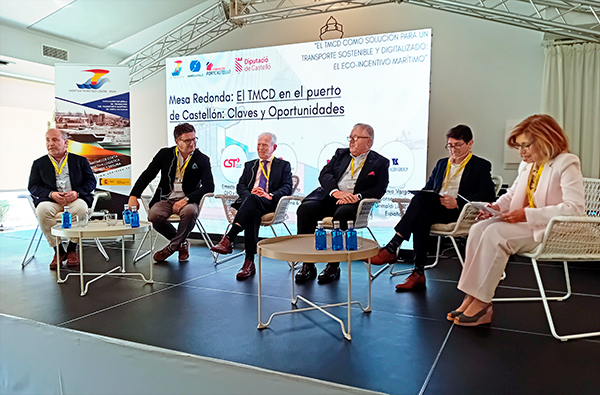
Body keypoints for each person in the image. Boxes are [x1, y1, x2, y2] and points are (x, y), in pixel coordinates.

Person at [450, 114, 585, 326]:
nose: (521, 152)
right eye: (519, 146)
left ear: (545, 140)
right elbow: (512, 195)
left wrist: (526, 214)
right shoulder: (527, 165)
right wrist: (495, 207)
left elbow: (575, 210)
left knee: (495, 234)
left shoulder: (566, 163)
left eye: (526, 146)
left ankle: (483, 302)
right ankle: (472, 296)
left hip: (553, 230)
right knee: (478, 229)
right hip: (529, 225)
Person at [370, 125, 496, 291]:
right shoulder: (442, 163)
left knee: (420, 204)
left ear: (470, 143)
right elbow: (429, 189)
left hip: (460, 212)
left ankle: (393, 246)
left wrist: (458, 202)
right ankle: (418, 273)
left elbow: (488, 196)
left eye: (457, 145)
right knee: (421, 214)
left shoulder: (480, 165)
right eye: (450, 145)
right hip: (437, 207)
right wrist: (424, 196)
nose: (453, 149)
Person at [295, 123, 389, 284]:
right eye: (350, 137)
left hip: (352, 204)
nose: (351, 141)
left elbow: (379, 189)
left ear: (369, 142)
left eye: (356, 137)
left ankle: (333, 265)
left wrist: (358, 196)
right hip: (330, 198)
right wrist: (335, 192)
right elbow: (325, 174)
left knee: (343, 214)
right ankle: (307, 264)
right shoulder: (341, 154)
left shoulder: (380, 162)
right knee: (305, 209)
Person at [210, 133, 293, 279]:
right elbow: (240, 186)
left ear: (274, 147)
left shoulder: (283, 165)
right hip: (251, 203)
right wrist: (250, 196)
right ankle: (248, 261)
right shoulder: (250, 165)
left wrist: (269, 195)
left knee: (253, 203)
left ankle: (230, 237)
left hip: (270, 203)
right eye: (259, 144)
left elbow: (287, 187)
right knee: (252, 212)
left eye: (265, 145)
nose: (261, 148)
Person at [128, 123, 214, 262]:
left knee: (190, 212)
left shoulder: (202, 159)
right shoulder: (165, 154)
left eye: (194, 139)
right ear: (177, 141)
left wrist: (186, 199)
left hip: (188, 200)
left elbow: (209, 186)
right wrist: (133, 195)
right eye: (187, 141)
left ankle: (171, 248)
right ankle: (182, 244)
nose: (192, 143)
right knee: (154, 215)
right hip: (166, 198)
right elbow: (147, 175)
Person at [28, 128, 96, 269]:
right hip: (51, 201)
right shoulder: (39, 163)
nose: (50, 144)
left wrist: (77, 192)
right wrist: (50, 194)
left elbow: (91, 182)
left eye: (54, 140)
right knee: (42, 211)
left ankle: (71, 248)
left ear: (65, 143)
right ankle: (58, 250)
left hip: (74, 199)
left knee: (81, 209)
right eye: (47, 140)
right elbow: (33, 186)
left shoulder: (80, 161)